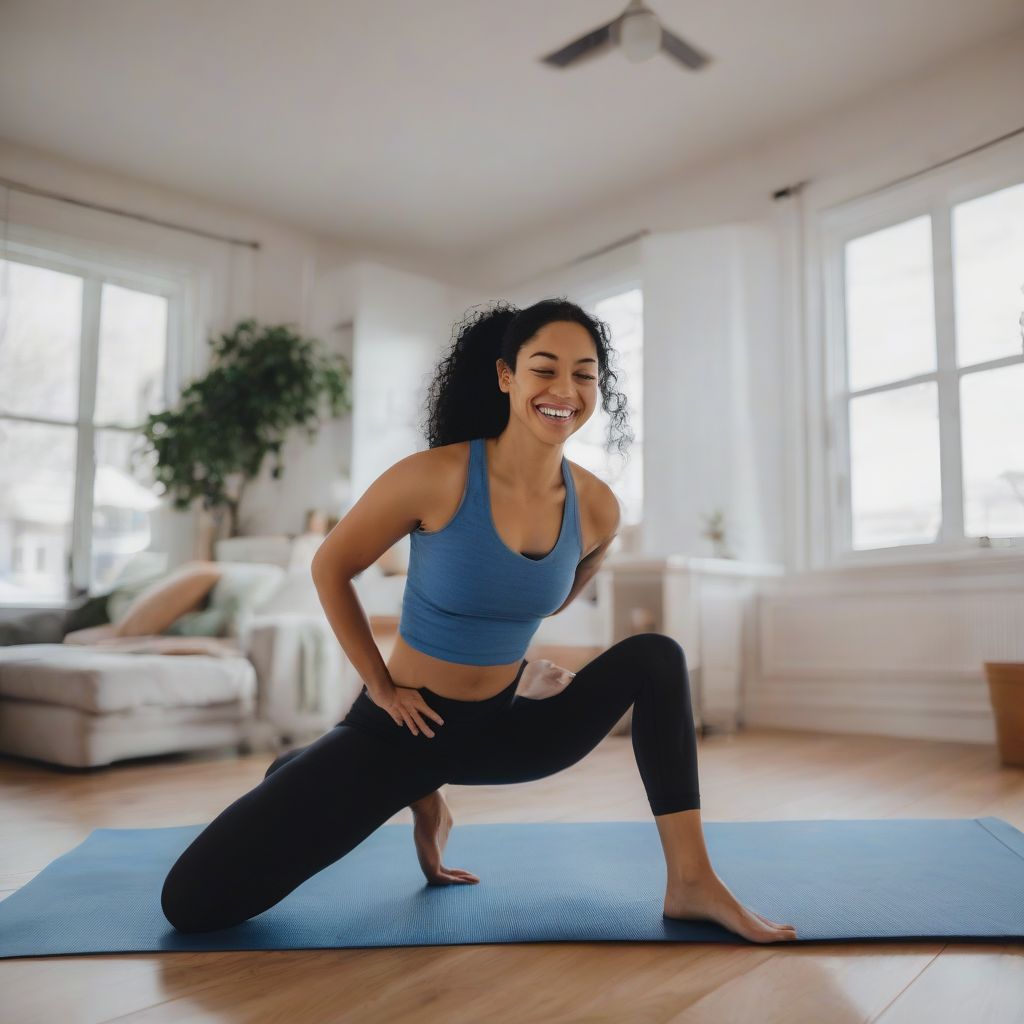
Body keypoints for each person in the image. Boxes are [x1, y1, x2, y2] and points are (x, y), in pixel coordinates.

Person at [160, 298, 797, 943]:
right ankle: (408, 788)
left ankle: (691, 881)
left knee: (656, 656)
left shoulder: (599, 509)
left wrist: (515, 674)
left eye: (584, 374)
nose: (564, 390)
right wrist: (381, 688)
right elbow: (330, 567)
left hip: (502, 731)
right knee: (193, 903)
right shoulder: (433, 477)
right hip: (403, 729)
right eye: (544, 368)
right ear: (505, 377)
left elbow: (532, 602)